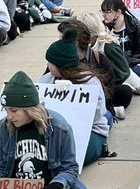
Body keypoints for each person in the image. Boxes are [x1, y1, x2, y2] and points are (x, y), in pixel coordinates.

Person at [42, 28, 110, 165]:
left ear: (61, 65)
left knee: (73, 156)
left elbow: (97, 114)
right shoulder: (46, 79)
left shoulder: (89, 81)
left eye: (50, 62)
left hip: (89, 133)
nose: (48, 65)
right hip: (56, 134)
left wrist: (70, 93)